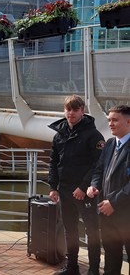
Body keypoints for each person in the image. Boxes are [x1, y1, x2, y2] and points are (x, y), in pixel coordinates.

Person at [48, 95, 104, 275]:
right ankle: (72, 267)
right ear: (64, 111)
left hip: (85, 192)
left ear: (82, 111)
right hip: (64, 191)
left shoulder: (93, 135)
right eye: (68, 109)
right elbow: (54, 162)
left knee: (92, 230)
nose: (71, 113)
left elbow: (98, 164)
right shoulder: (59, 134)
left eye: (75, 109)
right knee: (70, 230)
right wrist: (53, 187)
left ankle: (94, 270)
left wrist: (82, 187)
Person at [87, 105, 130, 275]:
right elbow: (99, 169)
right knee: (111, 258)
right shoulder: (111, 144)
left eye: (115, 120)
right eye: (109, 120)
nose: (110, 124)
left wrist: (113, 202)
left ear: (128, 121)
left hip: (126, 215)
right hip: (107, 215)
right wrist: (94, 185)